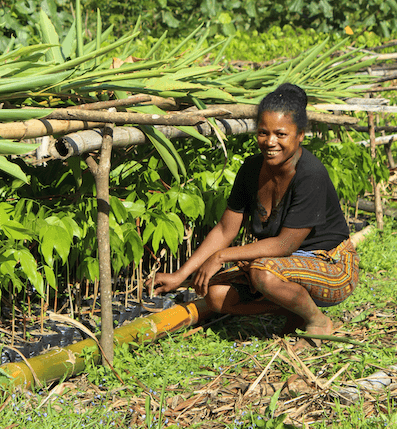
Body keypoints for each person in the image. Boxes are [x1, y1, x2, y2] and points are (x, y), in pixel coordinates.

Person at [149, 83, 359, 337]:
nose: (270, 142)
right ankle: (292, 308)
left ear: (300, 135)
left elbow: (285, 245)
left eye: (281, 134)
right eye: (263, 132)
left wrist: (220, 257)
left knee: (263, 273)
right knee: (216, 296)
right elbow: (226, 229)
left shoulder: (310, 174)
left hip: (330, 265)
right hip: (282, 266)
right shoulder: (251, 169)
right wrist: (180, 273)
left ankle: (317, 322)